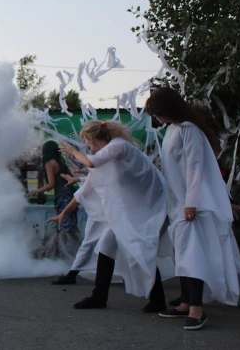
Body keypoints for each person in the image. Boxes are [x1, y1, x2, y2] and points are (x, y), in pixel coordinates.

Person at [145, 87, 240, 330]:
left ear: (169, 109)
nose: (156, 118)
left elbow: (195, 167)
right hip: (179, 204)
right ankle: (186, 303)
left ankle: (196, 309)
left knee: (192, 257)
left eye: (158, 112)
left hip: (191, 206)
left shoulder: (189, 131)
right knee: (183, 255)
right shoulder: (173, 130)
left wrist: (191, 202)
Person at [52, 120, 169, 313]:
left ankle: (158, 299)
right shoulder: (104, 158)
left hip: (139, 213)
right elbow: (84, 191)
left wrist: (73, 152)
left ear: (90, 138)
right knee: (105, 246)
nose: (87, 146)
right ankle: (99, 296)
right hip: (126, 214)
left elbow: (90, 162)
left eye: (86, 142)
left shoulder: (118, 146)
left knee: (139, 250)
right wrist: (63, 213)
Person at [29, 140, 81, 262]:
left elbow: (51, 184)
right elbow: (71, 179)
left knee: (63, 226)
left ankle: (65, 257)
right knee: (69, 226)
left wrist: (36, 191)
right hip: (71, 196)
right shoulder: (61, 162)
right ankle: (72, 256)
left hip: (62, 198)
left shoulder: (49, 163)